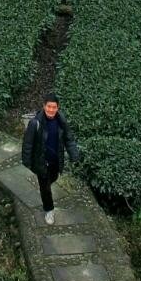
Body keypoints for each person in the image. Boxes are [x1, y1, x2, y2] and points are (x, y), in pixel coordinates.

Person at [20, 93, 81, 225]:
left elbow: (68, 138)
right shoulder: (35, 123)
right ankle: (49, 210)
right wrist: (27, 162)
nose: (51, 110)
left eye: (54, 107)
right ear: (44, 106)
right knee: (45, 188)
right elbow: (28, 144)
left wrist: (74, 155)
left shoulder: (61, 121)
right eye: (49, 107)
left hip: (55, 160)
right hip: (41, 162)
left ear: (58, 108)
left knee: (53, 178)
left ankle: (46, 186)